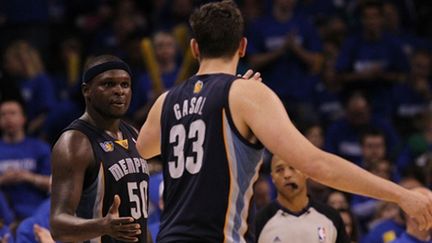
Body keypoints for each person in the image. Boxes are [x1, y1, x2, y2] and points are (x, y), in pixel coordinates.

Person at [136, 1, 432, 242]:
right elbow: (317, 166)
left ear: (194, 48)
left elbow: (140, 151)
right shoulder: (247, 94)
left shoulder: (167, 101)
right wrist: (400, 195)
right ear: (242, 46)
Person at [50, 55, 150, 242]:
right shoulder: (75, 142)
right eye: (108, 84)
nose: (119, 91)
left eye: (125, 85)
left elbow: (138, 220)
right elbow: (58, 226)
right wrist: (103, 226)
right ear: (87, 91)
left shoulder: (134, 133)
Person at [255, 155, 349, 243]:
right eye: (279, 170)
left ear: (306, 172)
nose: (287, 175)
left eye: (293, 167)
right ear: (272, 178)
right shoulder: (260, 221)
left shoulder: (331, 217)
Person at [0, 100, 51, 220]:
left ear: (23, 118)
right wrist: (3, 180)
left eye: (12, 113)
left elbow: (54, 184)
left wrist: (28, 177)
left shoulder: (40, 148)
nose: (8, 118)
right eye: (3, 114)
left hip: (35, 211)